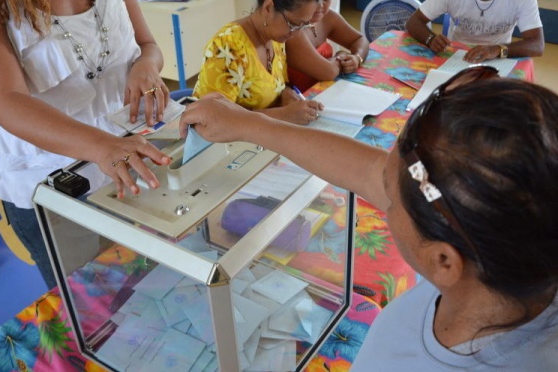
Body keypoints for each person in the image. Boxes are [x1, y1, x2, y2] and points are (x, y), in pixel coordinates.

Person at [180, 68, 558, 370]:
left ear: (444, 261)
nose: (381, 191)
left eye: (390, 199)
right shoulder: (518, 254)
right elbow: (373, 171)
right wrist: (249, 124)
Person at [0, 0, 173, 290]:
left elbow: (147, 44)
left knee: (131, 283)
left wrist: (146, 65)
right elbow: (6, 100)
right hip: (49, 178)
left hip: (118, 160)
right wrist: (100, 145)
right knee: (90, 303)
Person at [192, 0, 324, 125]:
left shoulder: (276, 39)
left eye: (304, 25)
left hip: (262, 135)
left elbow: (275, 85)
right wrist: (283, 115)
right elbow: (214, 118)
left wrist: (286, 93)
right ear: (268, 7)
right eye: (293, 24)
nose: (295, 33)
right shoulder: (227, 46)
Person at [406, 0, 544, 63]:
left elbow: (537, 45)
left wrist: (496, 50)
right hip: (456, 58)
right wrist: (430, 39)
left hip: (498, 60)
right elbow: (413, 22)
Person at [285, 0, 369, 92]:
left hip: (328, 91)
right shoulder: (291, 31)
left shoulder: (327, 17)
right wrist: (341, 55)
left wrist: (357, 58)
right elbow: (329, 72)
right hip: (302, 99)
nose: (320, 5)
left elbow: (360, 39)